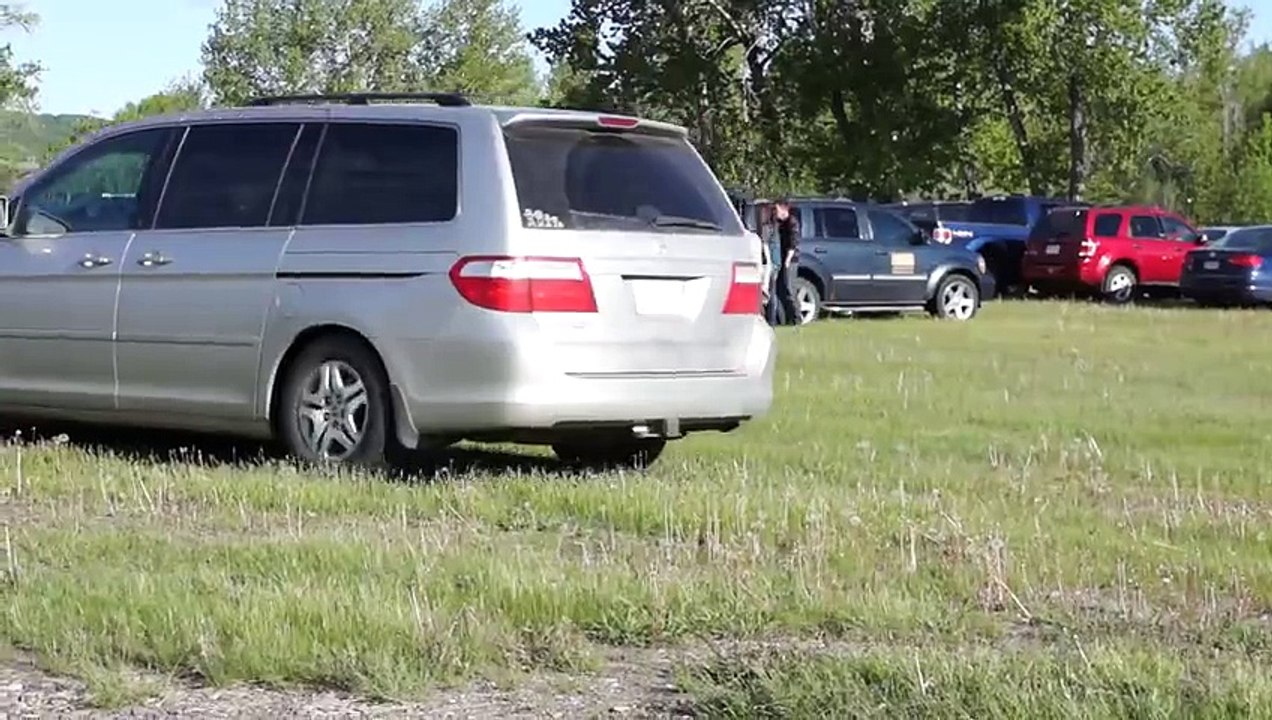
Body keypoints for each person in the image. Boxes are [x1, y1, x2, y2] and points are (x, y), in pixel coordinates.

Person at [771, 199, 801, 325]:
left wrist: (787, 261)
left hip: (790, 259)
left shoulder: (792, 222)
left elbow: (793, 244)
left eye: (776, 210)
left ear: (784, 209)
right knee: (781, 289)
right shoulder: (779, 223)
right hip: (781, 258)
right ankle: (786, 318)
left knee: (789, 288)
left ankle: (797, 318)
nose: (775, 213)